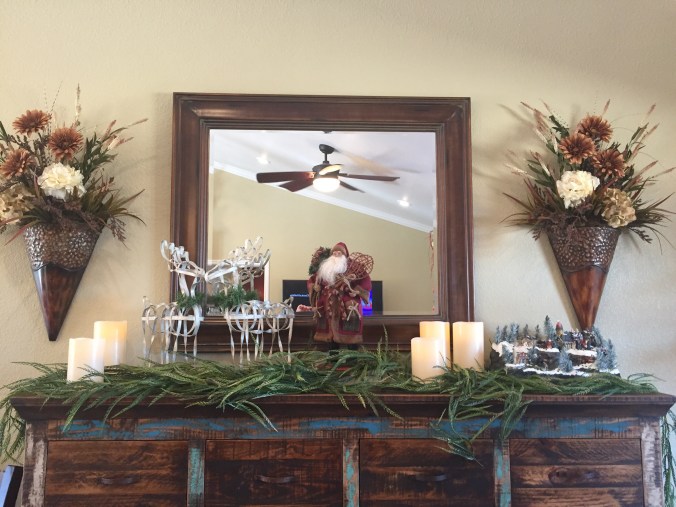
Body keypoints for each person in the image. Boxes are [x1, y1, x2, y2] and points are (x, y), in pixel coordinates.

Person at [307, 242, 373, 347]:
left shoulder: (354, 267)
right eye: (334, 253)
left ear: (344, 254)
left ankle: (352, 354)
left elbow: (365, 282)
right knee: (329, 333)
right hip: (328, 305)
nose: (336, 254)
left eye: (339, 252)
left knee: (350, 329)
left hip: (347, 305)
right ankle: (332, 354)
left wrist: (356, 291)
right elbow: (313, 280)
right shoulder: (324, 268)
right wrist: (315, 287)